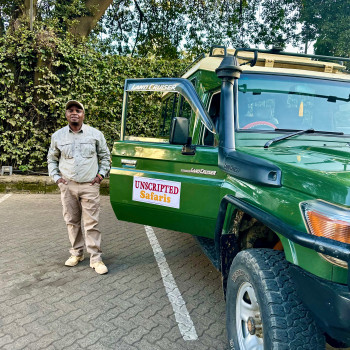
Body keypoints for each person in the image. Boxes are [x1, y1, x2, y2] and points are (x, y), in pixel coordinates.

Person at [47, 100, 110, 274]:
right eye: (70, 110)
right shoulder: (58, 136)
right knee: (72, 222)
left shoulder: (95, 134)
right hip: (68, 186)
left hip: (90, 186)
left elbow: (105, 156)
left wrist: (100, 175)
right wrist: (57, 179)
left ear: (83, 114)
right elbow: (52, 158)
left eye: (78, 110)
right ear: (66, 114)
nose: (74, 113)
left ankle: (96, 258)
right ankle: (76, 253)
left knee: (92, 223)